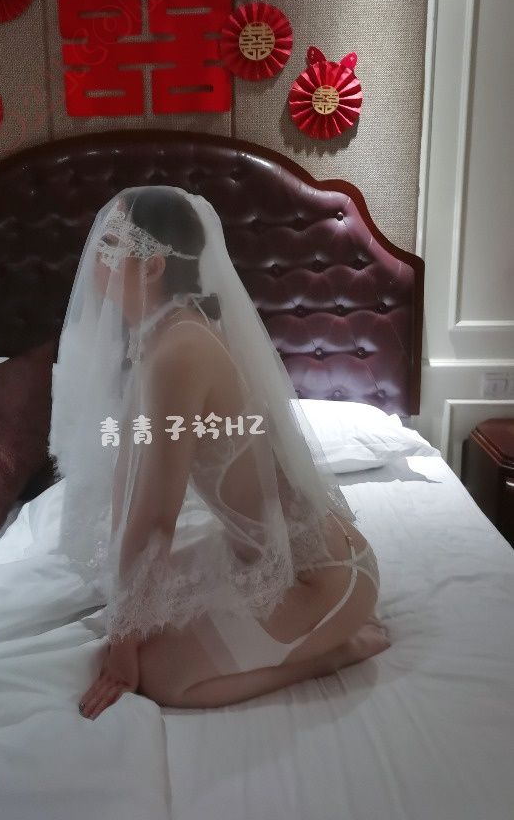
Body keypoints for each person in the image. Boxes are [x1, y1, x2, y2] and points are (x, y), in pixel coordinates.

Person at [48, 186, 390, 721]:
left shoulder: (179, 352)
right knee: (145, 612)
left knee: (162, 677)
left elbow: (156, 519)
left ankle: (333, 655)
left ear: (153, 265)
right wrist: (123, 610)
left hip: (324, 578)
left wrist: (123, 644)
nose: (95, 254)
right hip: (269, 553)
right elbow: (129, 477)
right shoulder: (158, 336)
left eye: (111, 243)